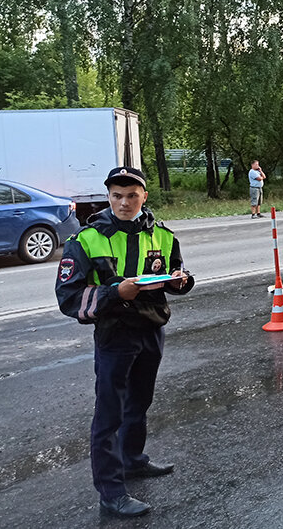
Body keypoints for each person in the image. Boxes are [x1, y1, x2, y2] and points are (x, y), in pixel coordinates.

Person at [55, 167, 194, 518]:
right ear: (109, 197)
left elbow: (174, 273)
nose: (124, 202)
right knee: (109, 414)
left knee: (139, 402)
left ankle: (132, 460)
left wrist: (181, 281)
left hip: (150, 329)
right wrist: (115, 292)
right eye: (117, 195)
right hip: (115, 334)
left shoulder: (163, 235)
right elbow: (68, 297)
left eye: (132, 195)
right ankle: (111, 492)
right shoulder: (86, 240)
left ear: (144, 196)